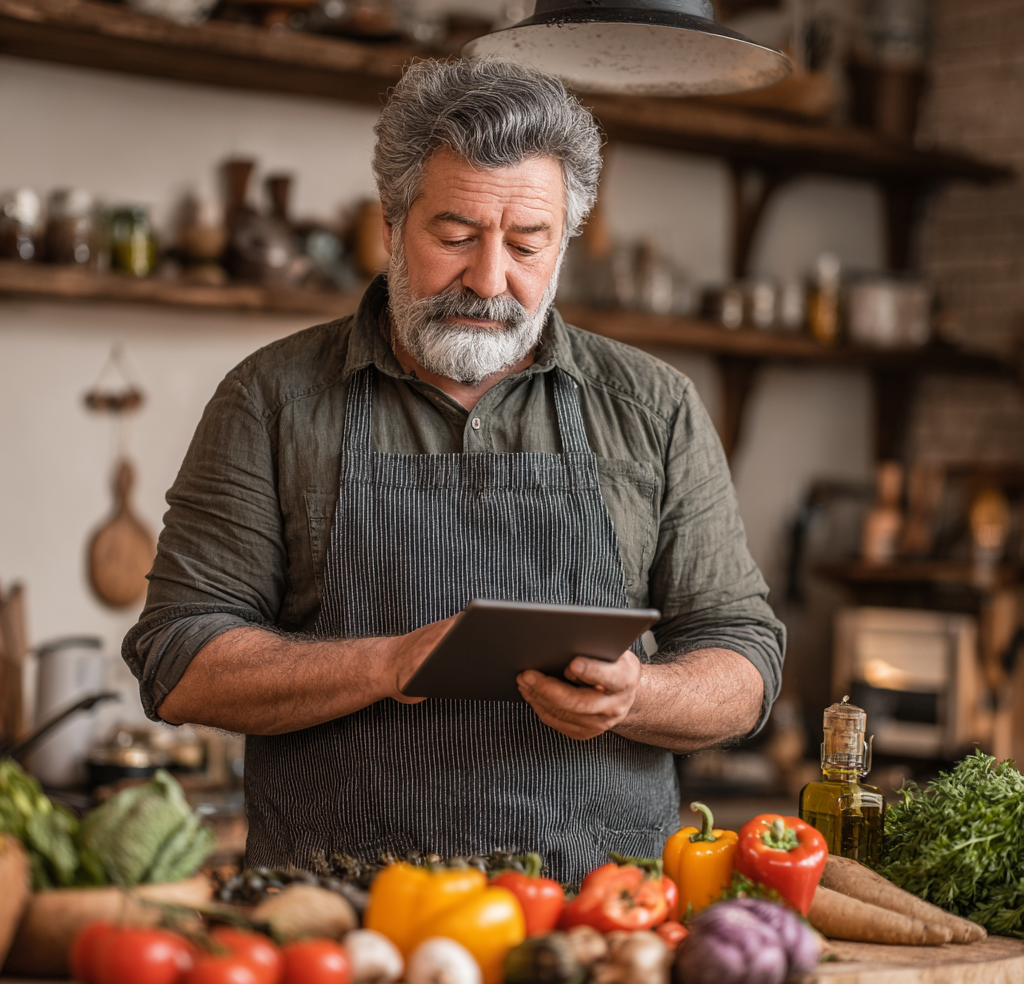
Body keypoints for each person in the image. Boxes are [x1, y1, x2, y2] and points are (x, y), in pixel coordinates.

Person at [124, 58, 784, 883]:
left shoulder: (654, 408)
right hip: (334, 916)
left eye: (527, 243)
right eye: (457, 235)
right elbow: (178, 656)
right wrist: (388, 663)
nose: (489, 278)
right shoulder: (273, 399)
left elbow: (745, 658)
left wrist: (637, 697)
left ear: (564, 243)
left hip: (600, 921)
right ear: (393, 224)